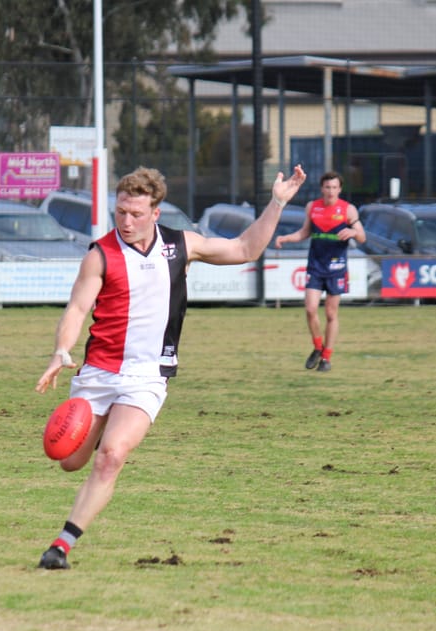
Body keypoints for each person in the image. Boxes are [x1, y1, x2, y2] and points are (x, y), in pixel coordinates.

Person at [34, 164, 307, 569]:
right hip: (99, 372)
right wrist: (61, 350)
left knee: (111, 456)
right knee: (69, 460)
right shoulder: (101, 254)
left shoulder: (182, 246)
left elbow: (245, 249)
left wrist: (277, 202)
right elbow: (77, 308)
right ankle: (104, 419)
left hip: (146, 376)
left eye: (136, 214)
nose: (127, 221)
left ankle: (61, 546)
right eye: (121, 212)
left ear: (156, 213)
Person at [274, 171, 365, 372]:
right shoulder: (312, 207)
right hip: (316, 265)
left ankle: (326, 358)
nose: (330, 191)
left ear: (339, 189)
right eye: (327, 187)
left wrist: (353, 232)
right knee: (310, 309)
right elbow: (305, 233)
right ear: (322, 189)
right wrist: (285, 238)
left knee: (331, 313)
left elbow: (362, 237)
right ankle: (317, 347)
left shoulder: (348, 210)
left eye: (334, 187)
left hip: (337, 268)